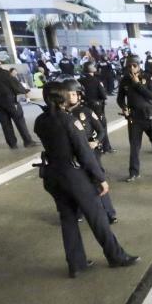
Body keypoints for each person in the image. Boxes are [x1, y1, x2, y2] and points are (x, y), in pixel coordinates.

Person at [34, 81, 139, 278]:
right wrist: (100, 177)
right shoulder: (68, 121)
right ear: (62, 98)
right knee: (97, 217)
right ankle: (115, 256)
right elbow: (83, 152)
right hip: (74, 175)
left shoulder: (40, 121)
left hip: (52, 175)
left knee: (68, 219)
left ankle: (76, 263)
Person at [59, 79, 118, 225]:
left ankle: (110, 213)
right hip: (72, 156)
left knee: (98, 180)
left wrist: (96, 142)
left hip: (91, 154)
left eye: (73, 94)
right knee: (77, 184)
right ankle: (79, 212)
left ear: (79, 95)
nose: (70, 97)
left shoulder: (86, 111)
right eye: (67, 94)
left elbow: (101, 130)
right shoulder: (61, 115)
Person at [117, 56, 152, 181]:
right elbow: (120, 99)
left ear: (139, 65)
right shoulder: (124, 80)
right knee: (134, 147)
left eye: (134, 65)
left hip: (150, 117)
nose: (132, 68)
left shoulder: (148, 78)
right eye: (129, 66)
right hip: (134, 118)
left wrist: (137, 84)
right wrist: (124, 107)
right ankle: (134, 172)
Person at [0, 54, 36, 149]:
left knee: (5, 123)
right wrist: (24, 91)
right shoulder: (4, 73)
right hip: (10, 101)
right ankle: (28, 141)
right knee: (19, 120)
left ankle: (12, 144)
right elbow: (15, 85)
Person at [78, 61, 114, 154]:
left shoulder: (79, 80)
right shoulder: (96, 80)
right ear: (91, 69)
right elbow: (103, 95)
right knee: (102, 127)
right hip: (96, 107)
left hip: (83, 107)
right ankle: (106, 147)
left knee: (86, 127)